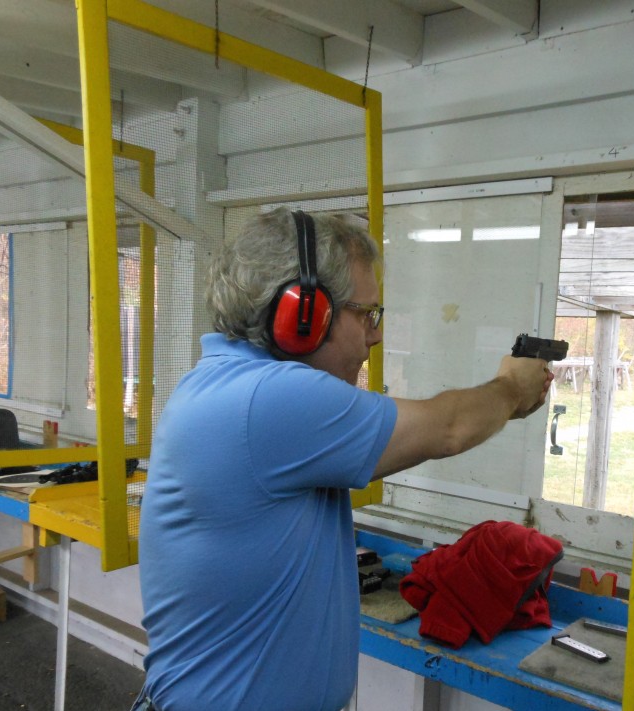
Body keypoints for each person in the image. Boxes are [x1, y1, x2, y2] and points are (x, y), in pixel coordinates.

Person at [135, 207, 552, 711]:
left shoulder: (228, 383)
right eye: (366, 314)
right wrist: (513, 387)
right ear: (302, 313)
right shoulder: (265, 398)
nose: (374, 336)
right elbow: (449, 428)